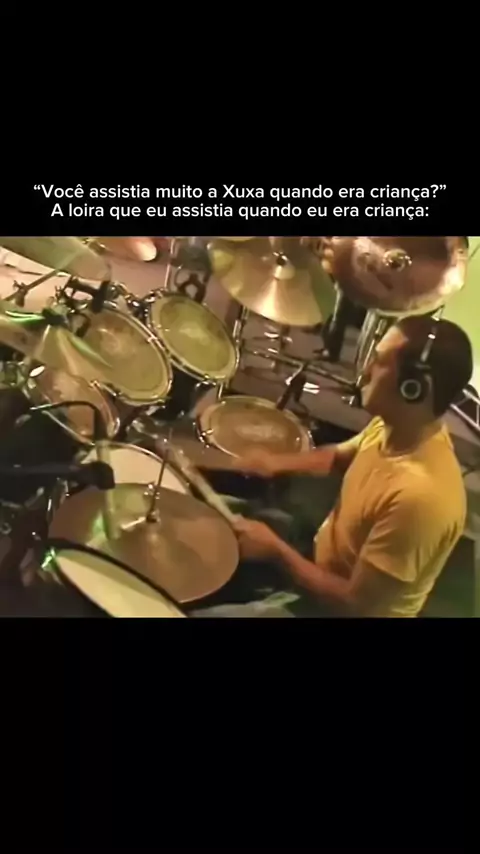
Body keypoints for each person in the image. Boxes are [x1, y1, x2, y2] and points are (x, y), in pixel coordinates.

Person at [193, 315, 473, 618]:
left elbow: (354, 605)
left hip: (338, 608)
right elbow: (338, 457)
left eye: (379, 362)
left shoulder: (421, 499)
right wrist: (274, 463)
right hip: (321, 552)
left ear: (414, 388)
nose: (365, 371)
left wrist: (276, 551)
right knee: (208, 518)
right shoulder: (397, 426)